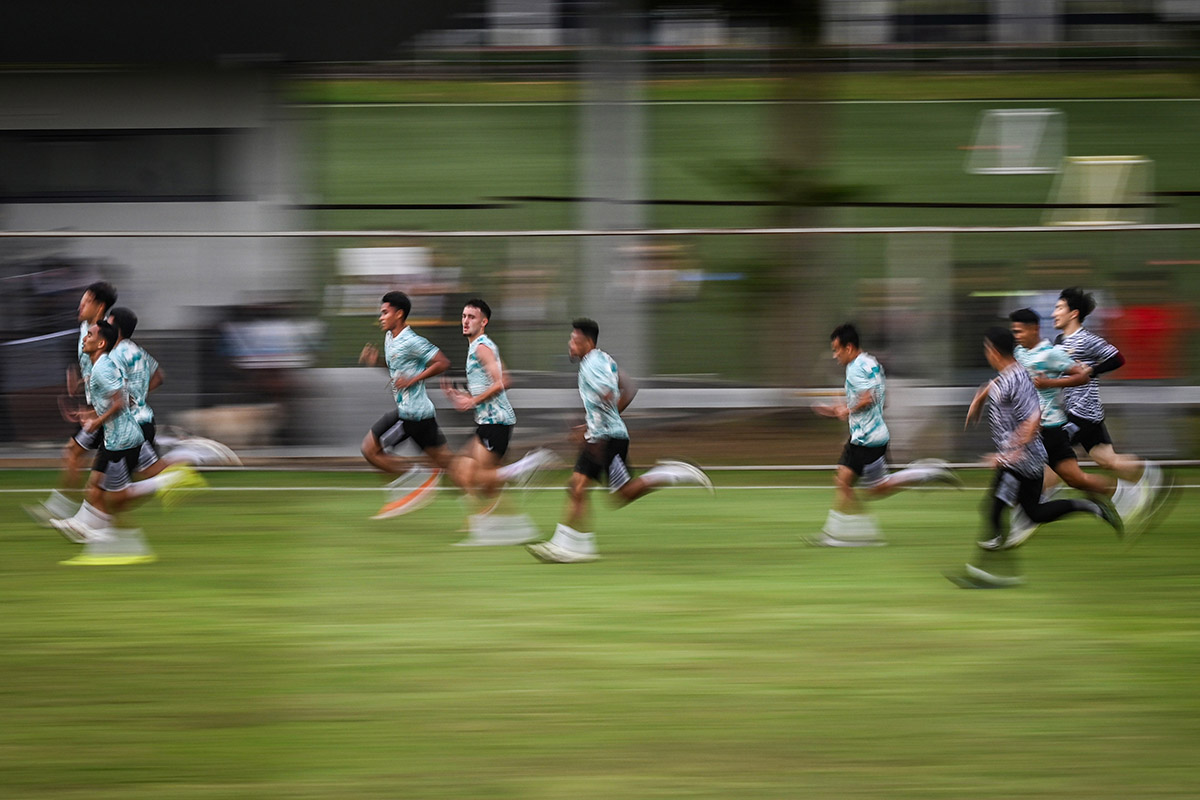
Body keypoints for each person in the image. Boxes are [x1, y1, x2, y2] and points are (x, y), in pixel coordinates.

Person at [525, 318, 712, 564]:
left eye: (574, 339)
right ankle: (572, 546)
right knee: (577, 487)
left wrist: (600, 429)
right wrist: (595, 424)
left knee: (622, 494)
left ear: (587, 341)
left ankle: (671, 473)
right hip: (600, 435)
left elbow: (608, 393)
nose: (570, 344)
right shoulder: (603, 359)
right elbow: (629, 388)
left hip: (606, 440)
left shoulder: (592, 364)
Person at [947, 328, 1123, 589]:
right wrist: (979, 400)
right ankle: (1091, 507)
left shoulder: (1017, 380)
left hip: (1019, 462)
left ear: (994, 352)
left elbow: (1033, 418)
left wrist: (1013, 452)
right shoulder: (1011, 374)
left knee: (993, 510)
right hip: (1024, 459)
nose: (986, 353)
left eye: (986, 349)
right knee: (1034, 512)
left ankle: (988, 573)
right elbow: (996, 385)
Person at [48, 321, 201, 544]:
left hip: (123, 435)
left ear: (103, 341)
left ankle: (174, 475)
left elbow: (120, 402)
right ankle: (89, 527)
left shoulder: (107, 364)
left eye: (90, 335)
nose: (85, 338)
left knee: (116, 494)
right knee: (102, 485)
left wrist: (95, 420)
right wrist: (88, 409)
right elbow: (124, 393)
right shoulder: (113, 359)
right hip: (124, 429)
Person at [809, 323, 959, 547]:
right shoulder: (871, 362)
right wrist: (836, 410)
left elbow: (868, 398)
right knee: (860, 484)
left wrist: (846, 410)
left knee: (860, 485)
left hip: (866, 439)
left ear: (849, 347)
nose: (834, 355)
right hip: (870, 435)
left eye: (836, 350)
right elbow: (881, 400)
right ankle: (923, 473)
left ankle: (847, 534)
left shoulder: (855, 368)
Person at [1004, 307, 1133, 548]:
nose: (1016, 335)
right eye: (1014, 331)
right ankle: (1115, 495)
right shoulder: (1019, 353)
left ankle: (1122, 493)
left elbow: (1082, 376)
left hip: (1049, 428)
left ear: (1034, 329)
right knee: (1074, 479)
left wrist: (1049, 383)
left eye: (1019, 331)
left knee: (1027, 482)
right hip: (1030, 429)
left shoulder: (1051, 354)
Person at [1042, 287, 1168, 528]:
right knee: (1106, 459)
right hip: (1083, 412)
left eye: (1059, 308)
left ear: (1073, 313)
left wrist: (1091, 370)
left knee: (1054, 455)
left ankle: (1036, 504)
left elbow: (1117, 358)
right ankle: (1149, 474)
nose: (1053, 313)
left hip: (1080, 413)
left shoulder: (1087, 339)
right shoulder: (1059, 342)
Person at [440, 298, 557, 515]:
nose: (465, 321)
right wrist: (463, 396)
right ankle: (492, 519)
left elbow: (502, 382)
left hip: (495, 423)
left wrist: (472, 401)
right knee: (462, 472)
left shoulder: (482, 348)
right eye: (464, 316)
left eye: (471, 317)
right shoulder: (482, 346)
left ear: (483, 322)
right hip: (488, 422)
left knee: (475, 476)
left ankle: (525, 467)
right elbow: (502, 379)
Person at [24, 281, 117, 527]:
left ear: (100, 306)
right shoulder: (86, 329)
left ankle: (69, 513)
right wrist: (79, 381)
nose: (80, 306)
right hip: (96, 406)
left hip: (106, 410)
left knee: (78, 456)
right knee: (78, 456)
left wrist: (93, 410)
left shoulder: (106, 333)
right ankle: (74, 513)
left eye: (85, 302)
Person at [359, 291, 457, 519]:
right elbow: (398, 372)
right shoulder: (390, 338)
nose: (381, 317)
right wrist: (378, 362)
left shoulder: (411, 340)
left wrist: (412, 380)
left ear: (399, 314)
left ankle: (418, 479)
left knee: (370, 450)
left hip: (412, 416)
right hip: (417, 414)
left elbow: (443, 362)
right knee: (451, 466)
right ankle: (488, 489)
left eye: (385, 312)